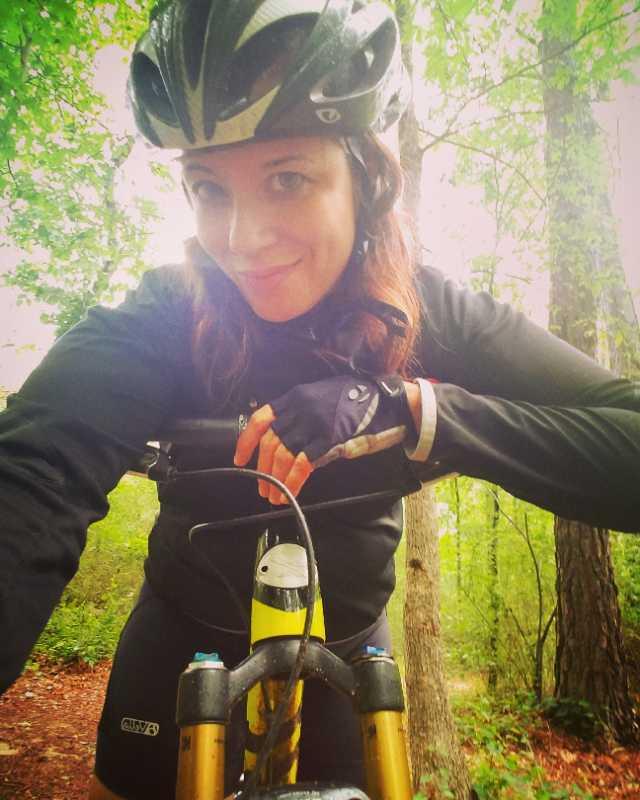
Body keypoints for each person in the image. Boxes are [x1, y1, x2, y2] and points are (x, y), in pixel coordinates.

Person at [0, 0, 638, 797]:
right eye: (207, 187)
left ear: (366, 180)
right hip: (179, 639)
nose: (240, 238)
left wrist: (415, 413)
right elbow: (34, 472)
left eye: (288, 177)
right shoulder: (167, 310)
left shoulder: (426, 311)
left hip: (348, 659)